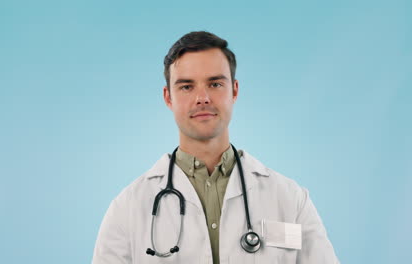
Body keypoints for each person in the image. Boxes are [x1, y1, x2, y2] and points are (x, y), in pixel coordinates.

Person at [92, 31, 339, 264]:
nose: (203, 98)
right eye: (187, 86)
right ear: (168, 97)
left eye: (215, 84)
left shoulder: (290, 199)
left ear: (234, 90)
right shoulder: (128, 208)